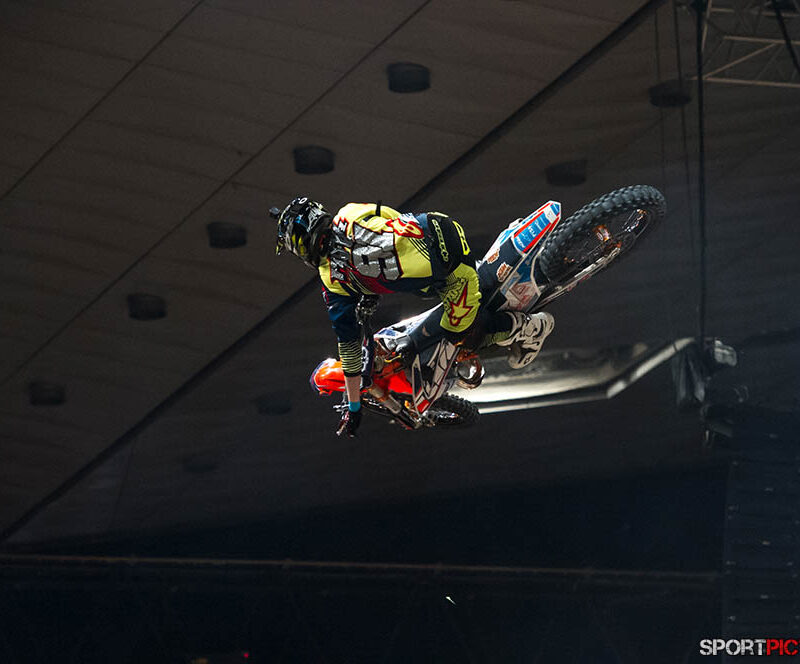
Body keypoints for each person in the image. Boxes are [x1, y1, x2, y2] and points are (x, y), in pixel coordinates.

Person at [274, 197, 554, 437]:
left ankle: (528, 328)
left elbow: (348, 349)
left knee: (460, 334)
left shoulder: (332, 280)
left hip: (452, 275)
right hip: (442, 225)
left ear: (300, 245)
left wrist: (355, 407)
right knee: (445, 296)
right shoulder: (349, 212)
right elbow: (394, 219)